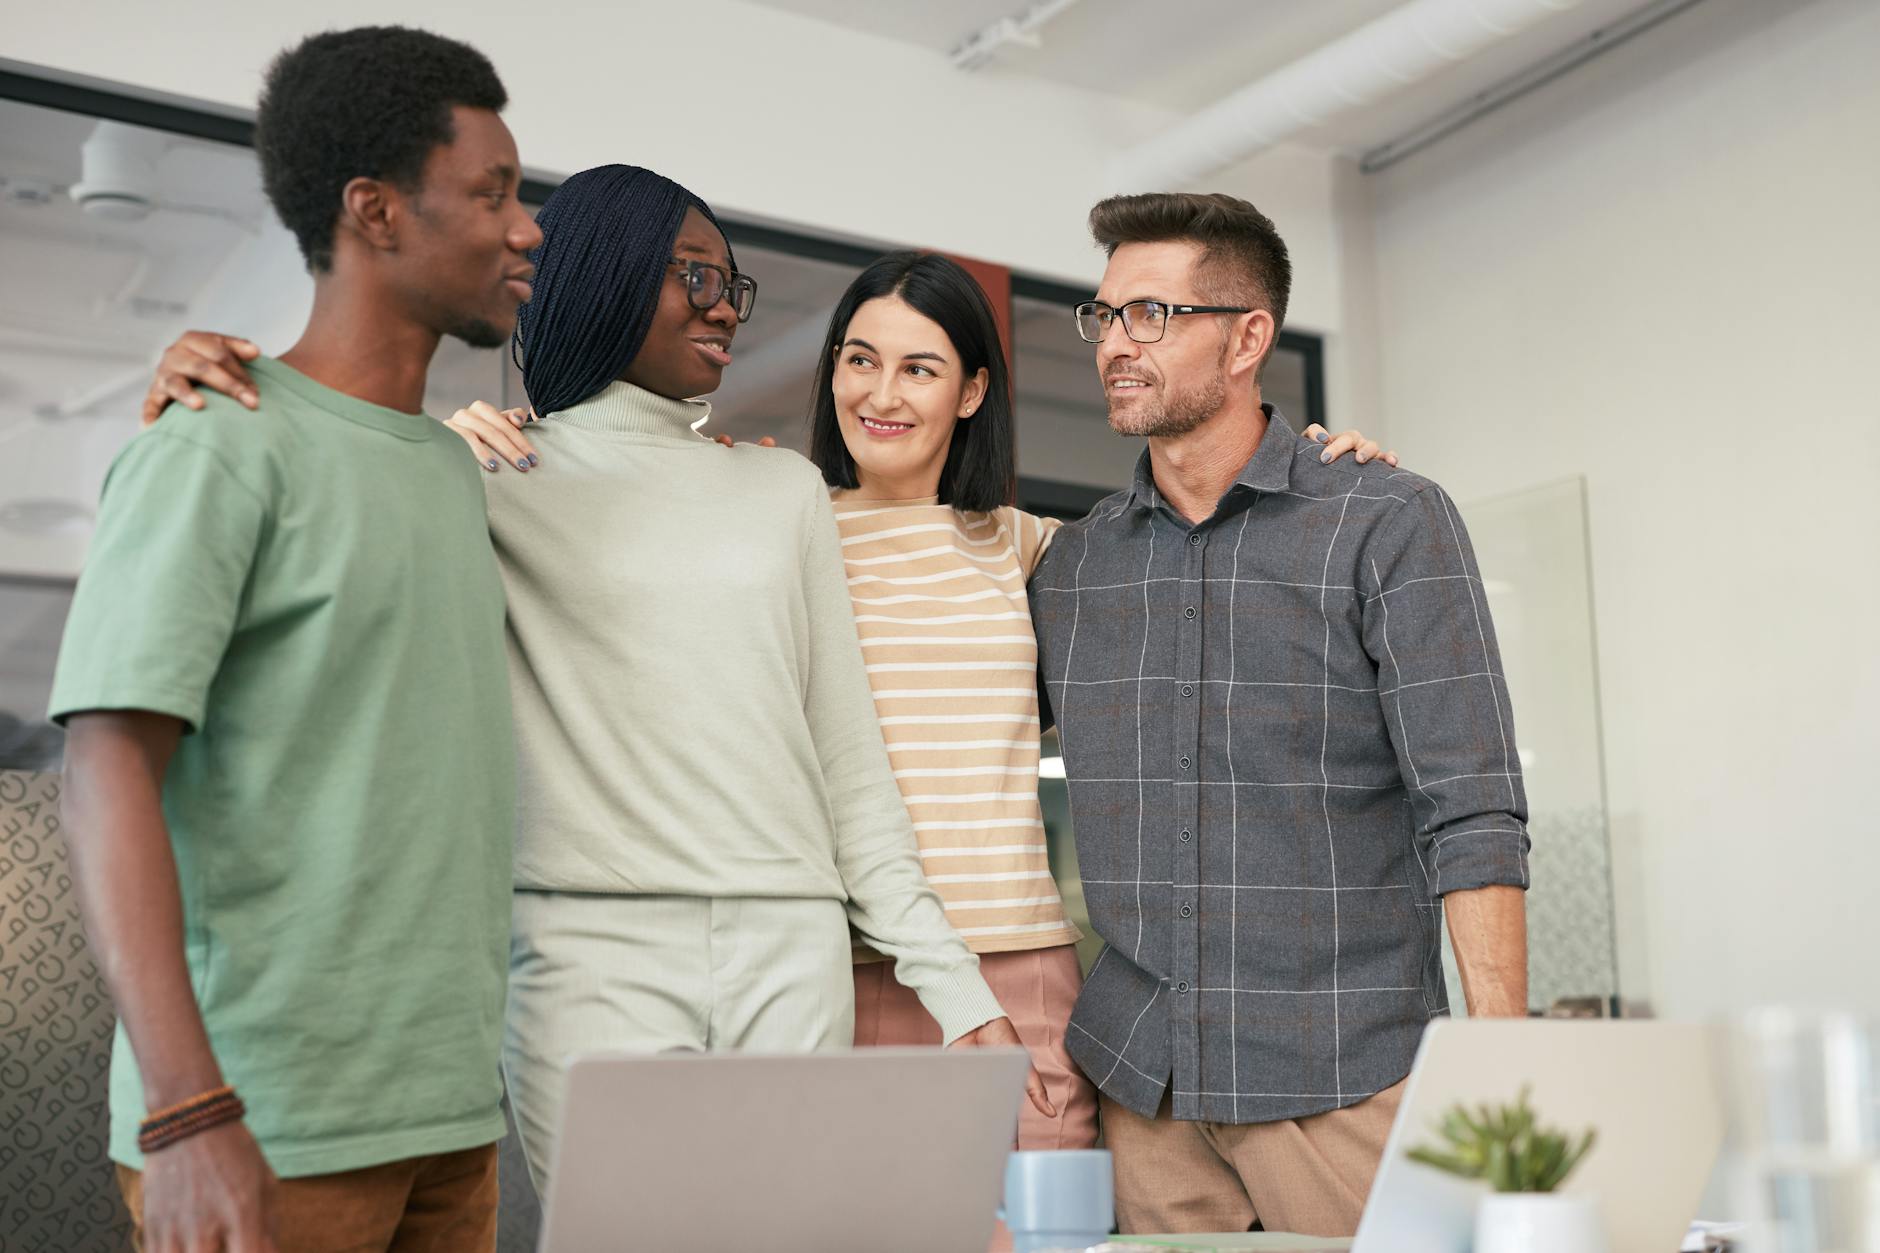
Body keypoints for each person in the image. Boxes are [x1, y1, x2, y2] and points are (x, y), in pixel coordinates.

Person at [139, 164, 1041, 1199]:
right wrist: (196, 381)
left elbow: (847, 764)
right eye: (690, 276)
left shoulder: (782, 488)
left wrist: (954, 984)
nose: (721, 308)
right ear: (600, 279)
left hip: (790, 943)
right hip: (582, 952)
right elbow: (289, 505)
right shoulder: (478, 472)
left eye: (729, 285)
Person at [52, 27, 539, 1253]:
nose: (524, 227)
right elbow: (105, 768)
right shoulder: (214, 441)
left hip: (444, 1115)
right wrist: (185, 1109)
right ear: (375, 211)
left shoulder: (446, 465)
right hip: (264, 1125)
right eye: (491, 193)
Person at [1029, 191, 1532, 1238]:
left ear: (1248, 336)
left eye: (1150, 315)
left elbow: (1471, 808)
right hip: (1145, 1092)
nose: (1115, 344)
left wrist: (1500, 1064)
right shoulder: (1071, 569)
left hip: (1346, 1077)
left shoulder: (1384, 520)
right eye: (1105, 315)